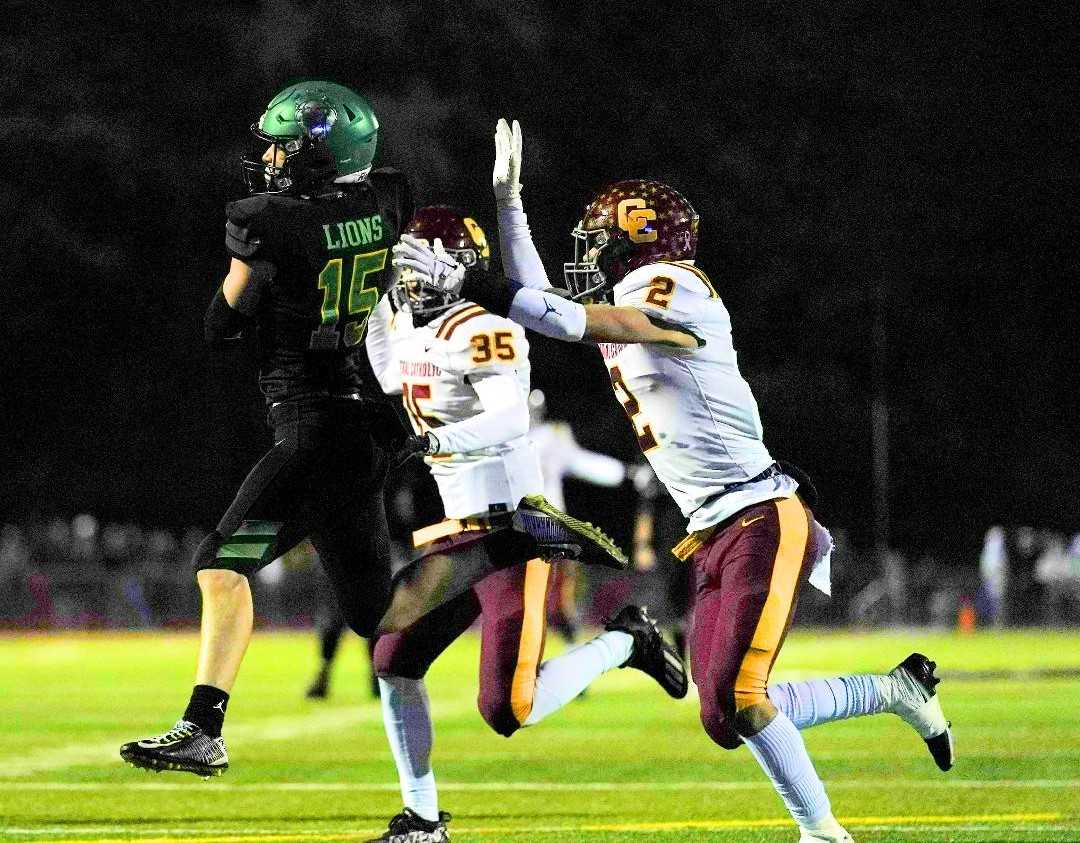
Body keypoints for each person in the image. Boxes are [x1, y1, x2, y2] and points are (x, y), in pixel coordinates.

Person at [391, 118, 955, 843]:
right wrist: (509, 205)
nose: (588, 255)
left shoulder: (673, 286)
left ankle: (825, 834)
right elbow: (546, 305)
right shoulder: (627, 302)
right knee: (724, 712)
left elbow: (557, 317)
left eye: (600, 241)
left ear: (640, 242)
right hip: (714, 529)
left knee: (741, 696)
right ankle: (893, 688)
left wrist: (475, 278)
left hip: (759, 512)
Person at [118, 86, 624, 782]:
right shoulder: (386, 199)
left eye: (282, 145)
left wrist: (257, 266)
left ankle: (204, 725)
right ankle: (497, 550)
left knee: (219, 562)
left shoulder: (267, 222)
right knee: (377, 618)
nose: (268, 158)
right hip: (360, 431)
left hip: (316, 428)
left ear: (317, 154)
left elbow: (221, 323)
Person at [362, 206, 687, 843]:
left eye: (420, 264)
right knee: (393, 660)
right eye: (404, 266)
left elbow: (509, 421)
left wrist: (428, 442)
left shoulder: (483, 327)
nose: (409, 279)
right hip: (454, 532)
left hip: (511, 534)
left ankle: (627, 641)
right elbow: (388, 372)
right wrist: (369, 307)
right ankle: (423, 818)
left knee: (509, 709)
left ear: (458, 270)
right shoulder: (404, 324)